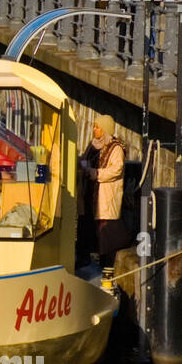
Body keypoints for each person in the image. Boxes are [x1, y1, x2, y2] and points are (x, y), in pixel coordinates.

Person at [79, 114, 127, 287]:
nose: (94, 130)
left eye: (98, 127)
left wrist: (94, 173)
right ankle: (92, 266)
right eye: (94, 127)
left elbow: (116, 169)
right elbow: (84, 159)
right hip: (91, 196)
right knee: (90, 230)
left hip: (106, 196)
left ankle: (107, 270)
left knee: (106, 233)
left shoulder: (116, 148)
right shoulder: (92, 146)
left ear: (105, 129)